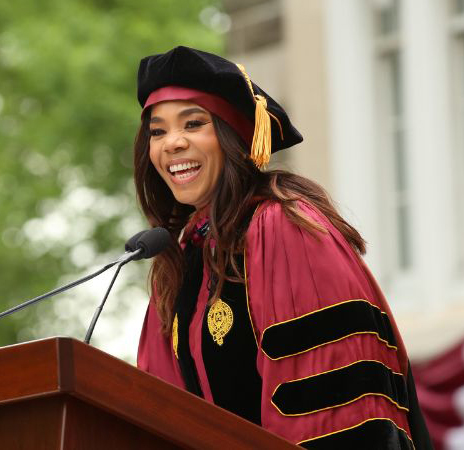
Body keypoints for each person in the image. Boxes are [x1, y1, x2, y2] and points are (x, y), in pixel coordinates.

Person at [134, 46, 432, 449]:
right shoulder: (180, 259)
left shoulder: (282, 227)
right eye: (158, 131)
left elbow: (332, 409)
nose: (172, 143)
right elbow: (154, 412)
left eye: (193, 123)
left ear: (233, 136)